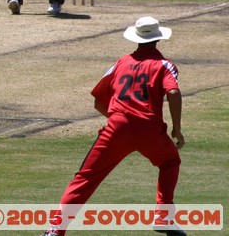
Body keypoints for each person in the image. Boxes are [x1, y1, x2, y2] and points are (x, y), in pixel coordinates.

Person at [40, 17, 185, 236]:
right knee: (170, 161)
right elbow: (173, 92)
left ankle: (55, 230)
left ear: (137, 39)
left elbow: (99, 101)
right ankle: (164, 217)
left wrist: (121, 119)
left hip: (117, 128)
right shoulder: (164, 65)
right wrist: (177, 128)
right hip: (150, 129)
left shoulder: (120, 63)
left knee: (86, 178)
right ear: (157, 40)